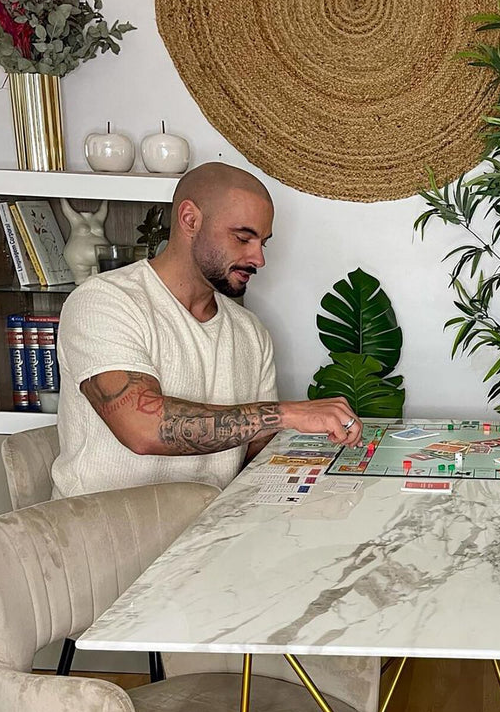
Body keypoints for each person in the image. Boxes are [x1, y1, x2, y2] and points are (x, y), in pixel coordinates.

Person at [52, 162, 362, 498]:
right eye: (243, 237)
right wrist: (287, 413)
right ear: (190, 219)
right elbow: (143, 428)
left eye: (263, 243)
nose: (258, 259)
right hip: (105, 537)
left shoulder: (249, 331)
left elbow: (256, 448)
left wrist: (333, 461)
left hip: (207, 533)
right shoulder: (104, 301)